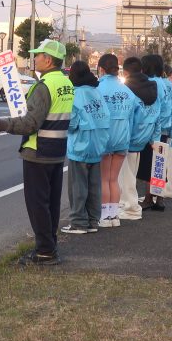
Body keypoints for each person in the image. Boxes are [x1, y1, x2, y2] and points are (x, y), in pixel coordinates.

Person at [0, 39, 74, 265]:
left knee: (37, 203)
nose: (34, 58)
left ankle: (44, 251)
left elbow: (30, 123)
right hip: (57, 151)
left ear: (49, 59)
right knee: (51, 202)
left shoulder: (44, 86)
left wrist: (1, 124)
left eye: (38, 55)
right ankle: (49, 245)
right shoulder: (66, 83)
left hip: (38, 151)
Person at [62, 61, 110, 234]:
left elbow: (72, 123)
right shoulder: (96, 93)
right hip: (98, 145)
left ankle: (78, 222)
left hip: (80, 146)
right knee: (94, 186)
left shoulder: (74, 94)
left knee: (78, 187)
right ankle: (92, 221)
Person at [117, 57, 159, 221]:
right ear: (141, 70)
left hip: (129, 138)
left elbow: (128, 117)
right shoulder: (153, 87)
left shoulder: (126, 89)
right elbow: (158, 116)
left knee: (125, 177)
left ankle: (130, 208)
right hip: (144, 137)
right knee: (131, 175)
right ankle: (129, 204)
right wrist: (154, 139)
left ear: (125, 72)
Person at [97, 53, 134, 227]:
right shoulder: (127, 91)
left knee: (105, 179)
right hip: (122, 138)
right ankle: (114, 216)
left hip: (105, 138)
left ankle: (105, 217)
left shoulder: (98, 89)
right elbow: (133, 117)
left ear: (101, 69)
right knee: (114, 178)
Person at [138, 55, 172, 211]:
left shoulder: (152, 84)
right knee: (160, 164)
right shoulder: (165, 84)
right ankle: (159, 198)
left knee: (149, 165)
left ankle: (148, 197)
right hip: (165, 129)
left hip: (154, 131)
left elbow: (153, 111)